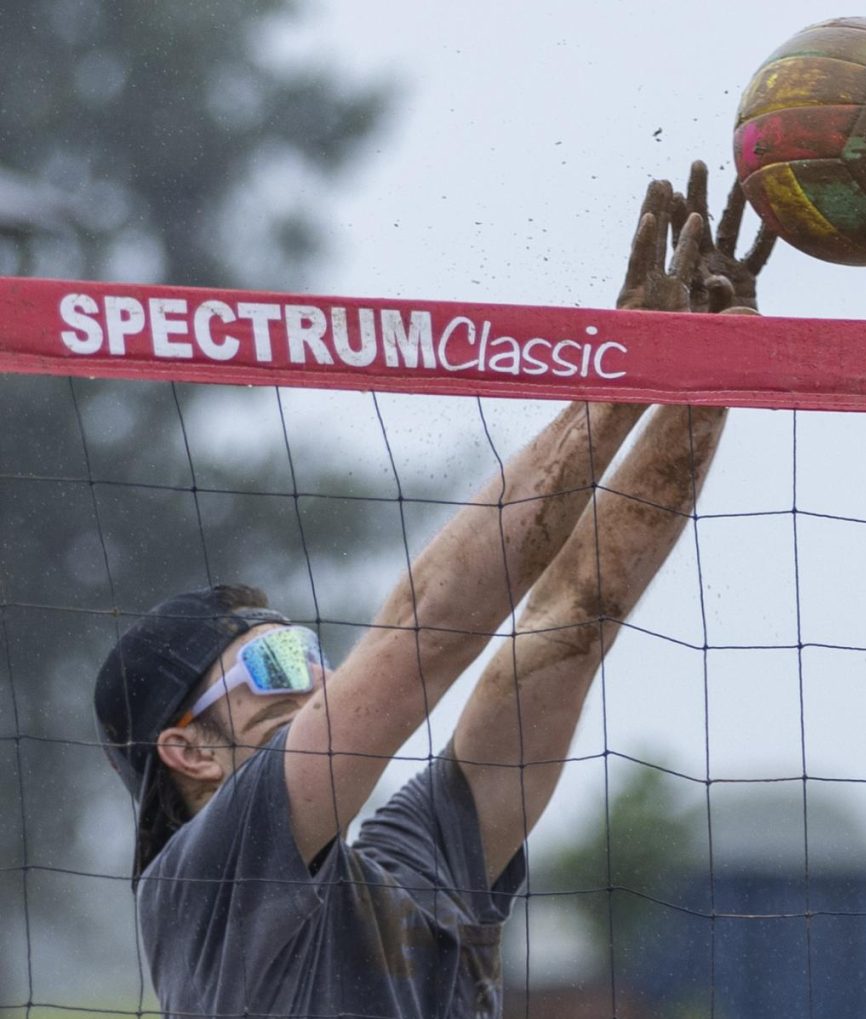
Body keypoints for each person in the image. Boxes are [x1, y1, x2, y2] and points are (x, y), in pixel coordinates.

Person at [93, 162, 773, 1018]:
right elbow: (424, 634)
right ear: (187, 750)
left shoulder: (416, 864)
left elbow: (572, 617)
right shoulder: (208, 880)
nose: (312, 677)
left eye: (308, 649)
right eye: (268, 663)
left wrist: (701, 380)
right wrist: (615, 380)